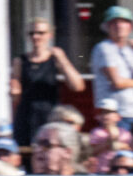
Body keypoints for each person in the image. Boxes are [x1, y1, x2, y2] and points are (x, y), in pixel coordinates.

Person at [14, 17, 87, 149]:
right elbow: (15, 93)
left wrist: (62, 60)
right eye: (32, 33)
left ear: (49, 35)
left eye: (40, 33)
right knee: (27, 155)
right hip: (26, 116)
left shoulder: (55, 58)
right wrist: (13, 89)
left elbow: (78, 86)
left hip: (50, 115)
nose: (36, 37)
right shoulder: (20, 60)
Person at [92, 5, 133, 130]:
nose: (119, 26)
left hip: (132, 112)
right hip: (112, 114)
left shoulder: (132, 51)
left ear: (130, 26)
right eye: (114, 22)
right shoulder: (104, 48)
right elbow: (117, 82)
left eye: (124, 22)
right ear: (107, 27)